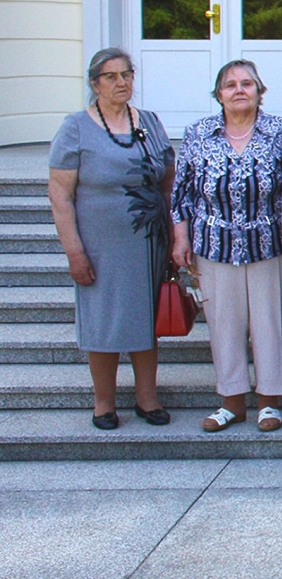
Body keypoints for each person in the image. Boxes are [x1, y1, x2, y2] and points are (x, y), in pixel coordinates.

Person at [48, 49, 175, 430]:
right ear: (94, 83)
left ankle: (146, 397)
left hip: (149, 240)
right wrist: (74, 252)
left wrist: (172, 237)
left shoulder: (149, 122)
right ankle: (103, 401)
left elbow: (167, 179)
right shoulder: (76, 127)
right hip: (100, 245)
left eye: (127, 74)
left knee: (145, 317)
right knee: (103, 320)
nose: (122, 83)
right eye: (111, 76)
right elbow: (59, 193)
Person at [170, 60, 282, 433]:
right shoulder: (198, 133)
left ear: (260, 91)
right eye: (230, 85)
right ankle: (232, 403)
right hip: (213, 243)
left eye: (247, 84)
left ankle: (270, 403)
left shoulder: (281, 132)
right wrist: (181, 238)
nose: (239, 90)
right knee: (224, 324)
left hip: (269, 242)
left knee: (270, 322)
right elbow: (182, 192)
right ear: (218, 94)